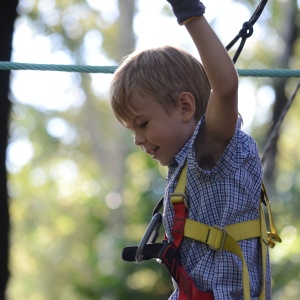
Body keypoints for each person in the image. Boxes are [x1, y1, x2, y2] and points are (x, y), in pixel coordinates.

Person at [109, 0, 270, 299]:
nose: (138, 139)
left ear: (185, 107)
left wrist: (189, 14)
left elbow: (224, 88)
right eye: (133, 130)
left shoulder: (209, 151)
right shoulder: (185, 169)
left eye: (143, 124)